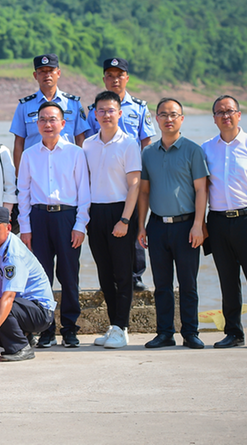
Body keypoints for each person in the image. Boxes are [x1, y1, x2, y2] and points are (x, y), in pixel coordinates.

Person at [202, 96, 247, 351]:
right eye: (220, 112)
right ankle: (233, 332)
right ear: (213, 118)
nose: (225, 116)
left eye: (230, 111)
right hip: (218, 221)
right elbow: (202, 189)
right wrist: (201, 223)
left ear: (239, 115)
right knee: (228, 280)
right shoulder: (206, 148)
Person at [17, 101, 90, 349]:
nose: (48, 124)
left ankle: (70, 329)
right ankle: (46, 329)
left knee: (69, 276)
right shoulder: (28, 155)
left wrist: (80, 225)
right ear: (37, 124)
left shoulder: (76, 153)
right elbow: (23, 193)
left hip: (67, 218)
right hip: (38, 219)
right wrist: (24, 228)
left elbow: (84, 193)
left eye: (52, 119)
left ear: (62, 123)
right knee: (41, 277)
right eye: (43, 120)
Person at [137, 98, 208, 350]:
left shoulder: (193, 150)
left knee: (188, 284)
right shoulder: (148, 153)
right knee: (162, 285)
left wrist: (198, 224)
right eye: (163, 115)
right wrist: (141, 226)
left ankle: (190, 332)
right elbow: (143, 192)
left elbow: (201, 190)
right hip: (157, 226)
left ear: (181, 119)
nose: (169, 119)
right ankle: (165, 333)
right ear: (156, 119)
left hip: (186, 226)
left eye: (174, 115)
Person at [85, 57, 156, 290]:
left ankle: (136, 275)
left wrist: (145, 175)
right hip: (107, 176)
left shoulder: (139, 107)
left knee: (133, 223)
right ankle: (112, 276)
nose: (115, 79)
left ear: (127, 78)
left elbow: (146, 141)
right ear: (104, 79)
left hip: (133, 174)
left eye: (119, 75)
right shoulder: (95, 110)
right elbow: (88, 142)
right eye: (110, 75)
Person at [82, 91, 142, 349]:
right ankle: (113, 326)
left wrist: (125, 220)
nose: (106, 115)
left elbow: (135, 185)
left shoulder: (129, 143)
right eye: (101, 111)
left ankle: (123, 327)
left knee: (123, 273)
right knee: (104, 273)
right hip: (96, 212)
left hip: (121, 212)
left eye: (111, 110)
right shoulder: (87, 145)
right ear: (95, 115)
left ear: (120, 113)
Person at [0, 206, 57, 362]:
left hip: (40, 312)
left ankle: (21, 347)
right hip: (22, 308)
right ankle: (25, 337)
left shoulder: (13, 255)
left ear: (8, 228)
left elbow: (8, 297)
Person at [9, 53, 89, 171]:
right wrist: (19, 174)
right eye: (42, 71)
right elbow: (19, 142)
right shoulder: (25, 105)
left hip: (67, 166)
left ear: (58, 73)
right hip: (35, 167)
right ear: (35, 75)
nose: (47, 75)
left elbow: (80, 138)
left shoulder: (72, 103)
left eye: (51, 70)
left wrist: (82, 169)